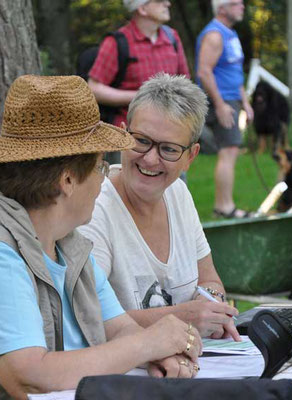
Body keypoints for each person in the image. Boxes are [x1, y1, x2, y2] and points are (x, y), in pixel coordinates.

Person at [0, 75, 203, 400]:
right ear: (67, 180)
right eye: (98, 168)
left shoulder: (67, 245)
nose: (103, 180)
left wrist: (162, 353)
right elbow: (29, 376)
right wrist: (149, 343)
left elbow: (118, 327)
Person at [79, 73, 240, 341]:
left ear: (191, 156)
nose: (150, 159)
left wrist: (211, 306)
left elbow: (209, 279)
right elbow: (89, 318)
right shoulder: (94, 209)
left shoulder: (178, 193)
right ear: (122, 134)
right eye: (141, 140)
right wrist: (184, 317)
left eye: (168, 149)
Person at [87, 0, 189, 135]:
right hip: (128, 133)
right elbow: (94, 88)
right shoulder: (117, 42)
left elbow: (185, 81)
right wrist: (141, 96)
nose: (167, 3)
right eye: (159, 1)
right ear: (142, 9)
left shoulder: (172, 37)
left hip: (168, 130)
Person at [195, 0, 254, 219]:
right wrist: (220, 105)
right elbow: (204, 72)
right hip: (221, 101)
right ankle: (224, 207)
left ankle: (225, 205)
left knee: (232, 151)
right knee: (228, 151)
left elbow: (234, 72)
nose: (242, 6)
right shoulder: (214, 36)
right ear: (222, 8)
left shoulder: (230, 34)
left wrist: (245, 103)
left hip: (232, 99)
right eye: (236, 3)